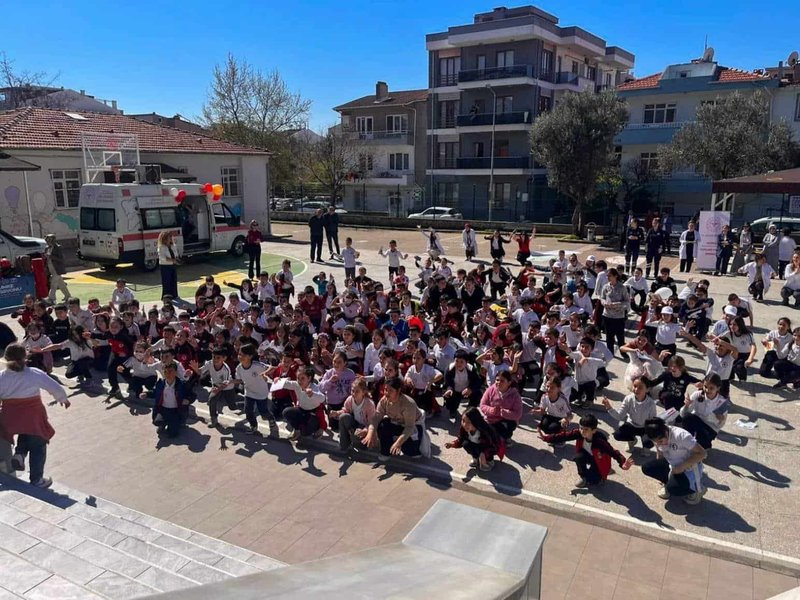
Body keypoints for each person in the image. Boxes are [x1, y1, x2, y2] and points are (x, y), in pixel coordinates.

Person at [0, 343, 70, 488]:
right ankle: (37, 480)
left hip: (10, 416)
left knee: (25, 432)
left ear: (6, 359)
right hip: (33, 415)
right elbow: (53, 386)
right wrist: (62, 398)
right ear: (26, 357)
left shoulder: (2, 377)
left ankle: (19, 454)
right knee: (38, 443)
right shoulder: (33, 373)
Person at [540, 413, 633, 488]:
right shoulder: (579, 433)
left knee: (594, 481)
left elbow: (613, 452)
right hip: (587, 455)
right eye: (581, 428)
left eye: (586, 429)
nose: (582, 431)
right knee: (578, 457)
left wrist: (622, 463)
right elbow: (564, 436)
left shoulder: (600, 441)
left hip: (598, 460)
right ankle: (583, 477)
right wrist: (546, 438)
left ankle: (602, 475)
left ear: (594, 430)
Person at [642, 417, 707, 504]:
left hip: (689, 468)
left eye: (660, 441)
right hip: (672, 464)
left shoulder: (681, 436)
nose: (658, 444)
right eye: (656, 442)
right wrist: (662, 475)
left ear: (665, 432)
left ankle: (697, 489)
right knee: (647, 468)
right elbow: (660, 455)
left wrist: (681, 467)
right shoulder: (656, 436)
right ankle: (667, 483)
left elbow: (702, 453)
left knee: (674, 489)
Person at [363, 376, 423, 461]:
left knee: (409, 451)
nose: (386, 393)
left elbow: (410, 427)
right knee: (383, 424)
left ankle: (409, 446)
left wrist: (398, 443)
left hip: (413, 426)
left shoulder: (408, 404)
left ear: (398, 391)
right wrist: (370, 433)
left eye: (390, 390)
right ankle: (385, 451)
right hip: (396, 423)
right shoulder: (384, 400)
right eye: (385, 389)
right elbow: (376, 417)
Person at [603, 377, 657, 452]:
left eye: (640, 387)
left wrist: (650, 434)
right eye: (635, 386)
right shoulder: (628, 399)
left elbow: (652, 421)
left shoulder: (651, 403)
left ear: (647, 389)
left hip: (645, 427)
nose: (636, 389)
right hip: (631, 425)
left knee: (651, 441)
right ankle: (632, 440)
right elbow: (619, 416)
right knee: (618, 435)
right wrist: (609, 408)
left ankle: (646, 446)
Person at [679, 373, 730, 450]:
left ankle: (702, 443)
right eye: (705, 387)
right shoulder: (697, 395)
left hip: (710, 428)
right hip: (696, 422)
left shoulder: (722, 402)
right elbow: (683, 415)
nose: (707, 390)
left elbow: (720, 425)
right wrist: (686, 405)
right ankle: (687, 440)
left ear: (718, 388)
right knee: (688, 418)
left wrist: (717, 418)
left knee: (702, 447)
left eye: (711, 388)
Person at [446, 407, 504, 472]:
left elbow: (494, 447)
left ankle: (489, 461)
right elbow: (461, 439)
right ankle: (476, 458)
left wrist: (484, 454)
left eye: (468, 422)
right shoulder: (464, 429)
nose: (464, 424)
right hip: (476, 446)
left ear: (475, 422)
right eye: (463, 420)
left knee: (485, 458)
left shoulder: (486, 431)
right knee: (465, 444)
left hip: (486, 448)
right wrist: (453, 444)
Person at [330, 377, 375, 452]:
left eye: (357, 391)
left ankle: (360, 443)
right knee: (343, 417)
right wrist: (337, 413)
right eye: (352, 391)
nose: (354, 393)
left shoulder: (369, 404)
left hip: (364, 427)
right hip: (355, 423)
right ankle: (344, 444)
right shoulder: (350, 399)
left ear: (363, 392)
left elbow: (372, 423)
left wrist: (365, 430)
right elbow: (345, 410)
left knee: (358, 441)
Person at [479, 370, 522, 444]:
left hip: (505, 420)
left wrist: (502, 412)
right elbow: (482, 405)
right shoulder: (490, 390)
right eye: (497, 380)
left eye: (502, 381)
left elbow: (518, 414)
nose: (498, 382)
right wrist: (492, 410)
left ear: (509, 383)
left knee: (506, 428)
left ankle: (506, 437)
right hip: (491, 419)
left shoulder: (515, 395)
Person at [599, 268, 630, 356]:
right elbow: (602, 297)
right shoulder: (606, 287)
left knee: (620, 336)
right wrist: (604, 303)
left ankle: (623, 352)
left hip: (618, 317)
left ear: (615, 276)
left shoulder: (622, 287)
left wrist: (618, 304)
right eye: (607, 276)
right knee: (609, 336)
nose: (608, 278)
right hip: (607, 315)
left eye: (610, 276)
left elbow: (627, 301)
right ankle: (610, 353)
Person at [44, 234, 71, 304]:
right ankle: (68, 296)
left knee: (53, 283)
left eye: (48, 240)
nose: (47, 241)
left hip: (57, 268)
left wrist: (51, 256)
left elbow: (61, 259)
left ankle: (51, 298)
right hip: (51, 268)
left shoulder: (58, 247)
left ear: (53, 240)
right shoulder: (47, 248)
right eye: (46, 240)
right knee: (61, 283)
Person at [157, 230, 180, 299]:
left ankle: (174, 295)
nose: (170, 238)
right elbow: (162, 257)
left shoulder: (173, 246)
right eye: (169, 237)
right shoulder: (161, 247)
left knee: (173, 280)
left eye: (171, 237)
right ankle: (166, 296)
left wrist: (176, 260)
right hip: (165, 266)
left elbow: (176, 254)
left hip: (173, 265)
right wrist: (172, 260)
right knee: (166, 281)